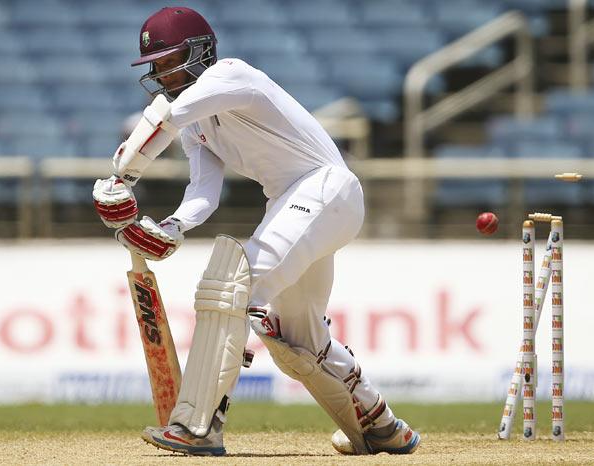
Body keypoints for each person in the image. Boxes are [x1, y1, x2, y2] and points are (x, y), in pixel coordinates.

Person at [92, 6, 421, 457]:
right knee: (297, 335)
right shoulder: (195, 124)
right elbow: (204, 193)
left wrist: (120, 178)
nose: (164, 73)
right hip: (296, 202)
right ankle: (381, 424)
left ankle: (199, 424)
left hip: (327, 189)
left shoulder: (231, 75)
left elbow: (166, 116)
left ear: (201, 52)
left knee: (232, 287)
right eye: (157, 66)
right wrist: (171, 227)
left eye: (172, 60)